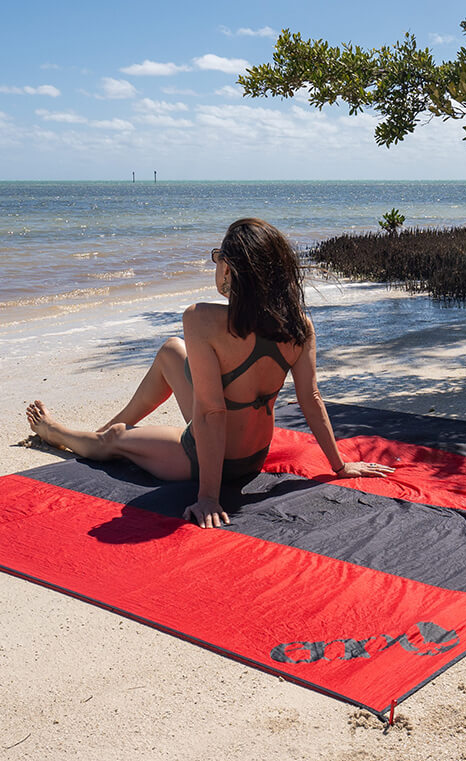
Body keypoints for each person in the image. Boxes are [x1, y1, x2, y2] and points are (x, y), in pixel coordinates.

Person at [26, 217, 393, 528]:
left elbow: (212, 412)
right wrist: (340, 465)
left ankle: (57, 432)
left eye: (218, 258)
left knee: (118, 440)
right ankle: (102, 428)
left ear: (231, 269)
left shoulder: (202, 319)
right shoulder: (299, 327)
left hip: (206, 459)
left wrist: (208, 497)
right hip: (254, 454)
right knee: (171, 351)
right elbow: (311, 400)